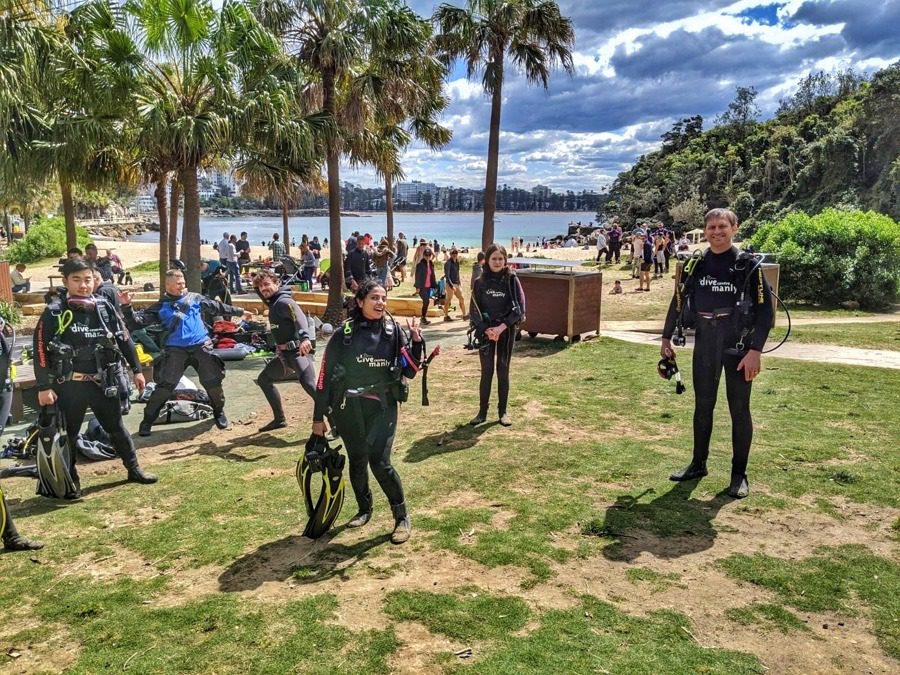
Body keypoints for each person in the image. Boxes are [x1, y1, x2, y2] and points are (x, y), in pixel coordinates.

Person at [661, 208, 773, 499]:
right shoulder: (695, 264)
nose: (716, 231)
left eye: (722, 226)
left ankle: (739, 475)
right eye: (711, 227)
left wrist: (755, 351)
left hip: (738, 345)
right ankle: (698, 464)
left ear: (734, 228)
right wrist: (665, 337)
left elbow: (765, 314)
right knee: (703, 406)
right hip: (706, 341)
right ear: (705, 229)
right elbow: (677, 301)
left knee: (739, 410)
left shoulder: (748, 265)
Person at [310, 279, 425, 544]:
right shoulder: (344, 334)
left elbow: (410, 371)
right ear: (360, 301)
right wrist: (318, 419)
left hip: (382, 406)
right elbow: (324, 379)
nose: (380, 303)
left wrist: (417, 342)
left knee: (380, 462)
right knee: (358, 459)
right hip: (348, 407)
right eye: (374, 298)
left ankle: (401, 518)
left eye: (383, 298)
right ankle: (364, 509)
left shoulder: (394, 331)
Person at [34, 259, 157, 495]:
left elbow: (124, 338)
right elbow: (39, 346)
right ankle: (71, 482)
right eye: (76, 280)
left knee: (116, 428)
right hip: (70, 385)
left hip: (103, 382)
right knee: (69, 434)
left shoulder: (104, 307)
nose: (83, 285)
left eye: (87, 279)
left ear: (95, 279)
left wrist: (137, 370)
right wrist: (43, 386)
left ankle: (134, 469)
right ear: (66, 281)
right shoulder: (55, 311)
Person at [121, 269, 252, 436]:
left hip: (201, 347)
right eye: (178, 284)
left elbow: (217, 307)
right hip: (175, 351)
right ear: (167, 285)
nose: (182, 286)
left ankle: (218, 412)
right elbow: (136, 323)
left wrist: (240, 312)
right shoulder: (160, 306)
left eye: (183, 283)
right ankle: (147, 421)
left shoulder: (195, 298)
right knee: (164, 388)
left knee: (213, 383)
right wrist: (126, 307)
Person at [469, 244, 525, 427]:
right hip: (486, 332)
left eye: (501, 259)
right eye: (494, 258)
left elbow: (520, 309)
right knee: (486, 372)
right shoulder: (480, 282)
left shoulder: (511, 280)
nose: (498, 262)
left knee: (503, 370)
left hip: (506, 331)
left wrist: (501, 328)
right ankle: (482, 412)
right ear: (487, 260)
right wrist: (486, 329)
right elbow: (474, 310)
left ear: (505, 260)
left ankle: (503, 412)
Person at [253, 270, 316, 431]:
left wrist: (304, 338)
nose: (263, 288)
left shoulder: (284, 302)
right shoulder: (272, 302)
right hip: (283, 356)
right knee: (264, 380)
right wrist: (256, 283)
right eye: (260, 287)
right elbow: (263, 293)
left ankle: (337, 421)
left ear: (277, 283)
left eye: (267, 284)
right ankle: (279, 419)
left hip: (297, 353)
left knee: (310, 387)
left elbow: (299, 317)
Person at [442, 248, 467, 322]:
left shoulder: (457, 262)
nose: (454, 255)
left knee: (461, 298)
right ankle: (446, 316)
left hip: (457, 283)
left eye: (456, 253)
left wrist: (459, 282)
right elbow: (447, 275)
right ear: (450, 254)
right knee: (448, 300)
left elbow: (457, 273)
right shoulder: (448, 263)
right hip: (450, 284)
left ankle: (464, 315)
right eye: (453, 253)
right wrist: (451, 285)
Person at [414, 247, 436, 326]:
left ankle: (423, 317)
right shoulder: (420, 265)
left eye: (429, 255)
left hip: (428, 286)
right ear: (423, 255)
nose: (427, 256)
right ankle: (423, 317)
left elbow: (432, 275)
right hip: (422, 287)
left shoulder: (431, 264)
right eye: (426, 255)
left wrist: (434, 285)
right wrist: (417, 287)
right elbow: (417, 276)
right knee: (426, 301)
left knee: (426, 302)